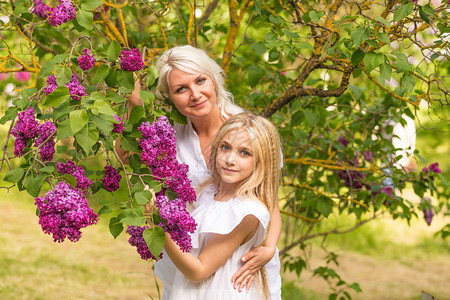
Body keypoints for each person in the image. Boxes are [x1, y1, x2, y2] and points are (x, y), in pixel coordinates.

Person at [115, 45, 282, 299]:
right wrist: (134, 104)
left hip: (239, 267)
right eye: (181, 89)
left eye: (201, 80)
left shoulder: (248, 132)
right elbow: (125, 154)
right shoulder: (167, 133)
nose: (195, 94)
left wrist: (269, 247)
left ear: (213, 79)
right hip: (186, 257)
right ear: (169, 97)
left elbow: (270, 200)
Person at [146, 112, 282, 299]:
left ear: (261, 161)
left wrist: (157, 224)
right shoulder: (208, 192)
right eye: (225, 147)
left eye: (245, 153)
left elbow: (198, 271)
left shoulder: (246, 213)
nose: (230, 159)